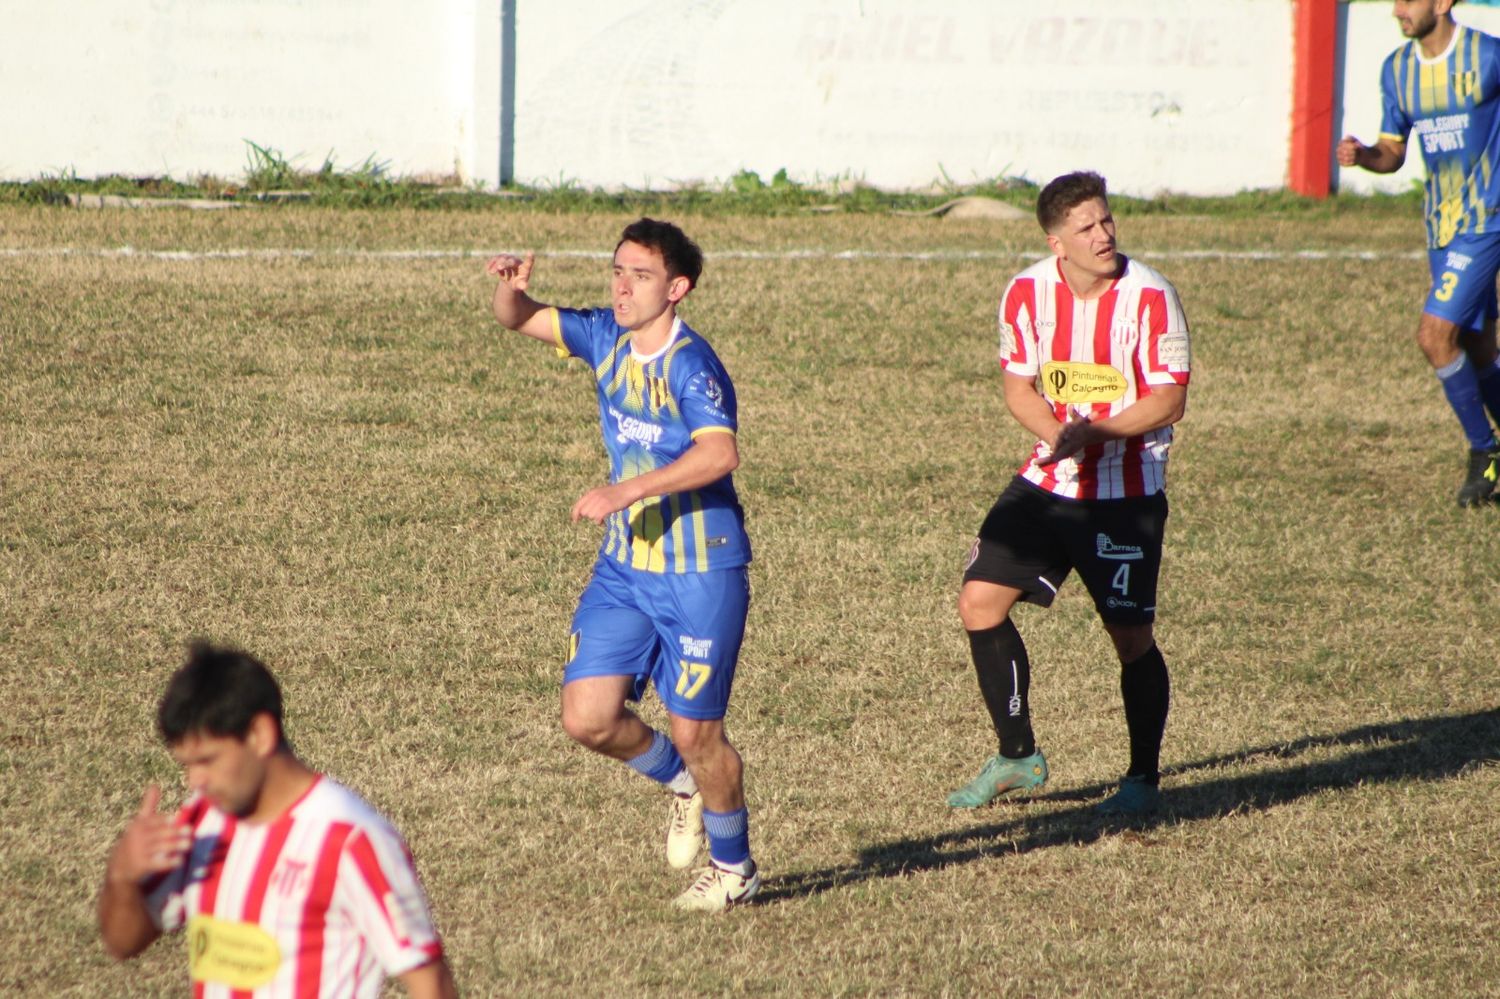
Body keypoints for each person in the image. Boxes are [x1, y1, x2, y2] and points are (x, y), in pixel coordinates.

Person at [485, 218, 759, 911]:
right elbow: (519, 320)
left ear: (676, 288)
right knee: (587, 716)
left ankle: (734, 868)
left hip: (701, 573)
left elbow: (719, 454)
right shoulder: (604, 337)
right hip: (625, 569)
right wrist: (512, 293)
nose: (621, 286)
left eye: (639, 276)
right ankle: (682, 782)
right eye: (616, 270)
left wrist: (626, 489)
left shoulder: (694, 365)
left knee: (701, 731)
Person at [948, 171, 1191, 816]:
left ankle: (1142, 778)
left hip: (1125, 491)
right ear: (1057, 241)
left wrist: (1097, 433)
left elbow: (1170, 400)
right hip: (1050, 479)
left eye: (1106, 220)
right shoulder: (1026, 293)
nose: (1103, 234)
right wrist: (1063, 437)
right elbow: (1018, 389)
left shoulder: (1151, 298)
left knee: (1130, 640)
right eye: (1086, 227)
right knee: (979, 601)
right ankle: (1018, 756)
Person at [97, 643, 457, 998]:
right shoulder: (202, 821)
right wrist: (123, 875)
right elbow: (122, 943)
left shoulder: (348, 839)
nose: (194, 781)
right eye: (186, 765)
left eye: (207, 760)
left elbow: (430, 983)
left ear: (260, 735)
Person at [1338, 0, 1500, 506]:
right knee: (1477, 347)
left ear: (1443, 3)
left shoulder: (1489, 56)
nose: (1396, 11)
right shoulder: (1398, 69)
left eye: (1408, 1)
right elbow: (1394, 150)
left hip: (1486, 221)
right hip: (1441, 228)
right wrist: (1365, 155)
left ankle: (1484, 452)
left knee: (1435, 337)